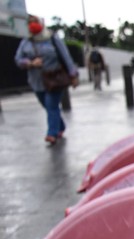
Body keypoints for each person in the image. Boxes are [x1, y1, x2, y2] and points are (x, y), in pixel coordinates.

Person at [14, 14, 79, 145]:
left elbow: (65, 56)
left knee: (51, 105)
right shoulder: (26, 42)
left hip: (54, 79)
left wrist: (73, 75)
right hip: (37, 81)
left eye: (35, 22)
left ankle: (52, 134)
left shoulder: (52, 38)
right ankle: (60, 126)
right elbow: (17, 59)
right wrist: (30, 63)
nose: (32, 24)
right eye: (30, 22)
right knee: (48, 106)